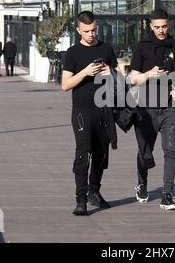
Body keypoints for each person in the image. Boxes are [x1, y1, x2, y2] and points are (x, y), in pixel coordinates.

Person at [61, 11, 118, 216]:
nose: (91, 34)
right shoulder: (72, 52)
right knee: (83, 153)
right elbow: (65, 85)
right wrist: (85, 72)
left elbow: (119, 80)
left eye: (93, 30)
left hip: (104, 110)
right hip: (82, 111)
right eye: (86, 31)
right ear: (78, 31)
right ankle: (81, 199)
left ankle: (95, 190)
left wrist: (109, 72)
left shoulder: (106, 49)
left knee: (101, 154)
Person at [129, 9, 175, 210]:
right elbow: (132, 78)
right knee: (146, 152)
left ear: (169, 25)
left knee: (171, 150)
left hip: (170, 107)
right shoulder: (142, 47)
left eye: (165, 26)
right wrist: (148, 75)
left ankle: (167, 195)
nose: (161, 30)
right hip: (146, 107)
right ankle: (142, 183)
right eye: (157, 27)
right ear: (151, 26)